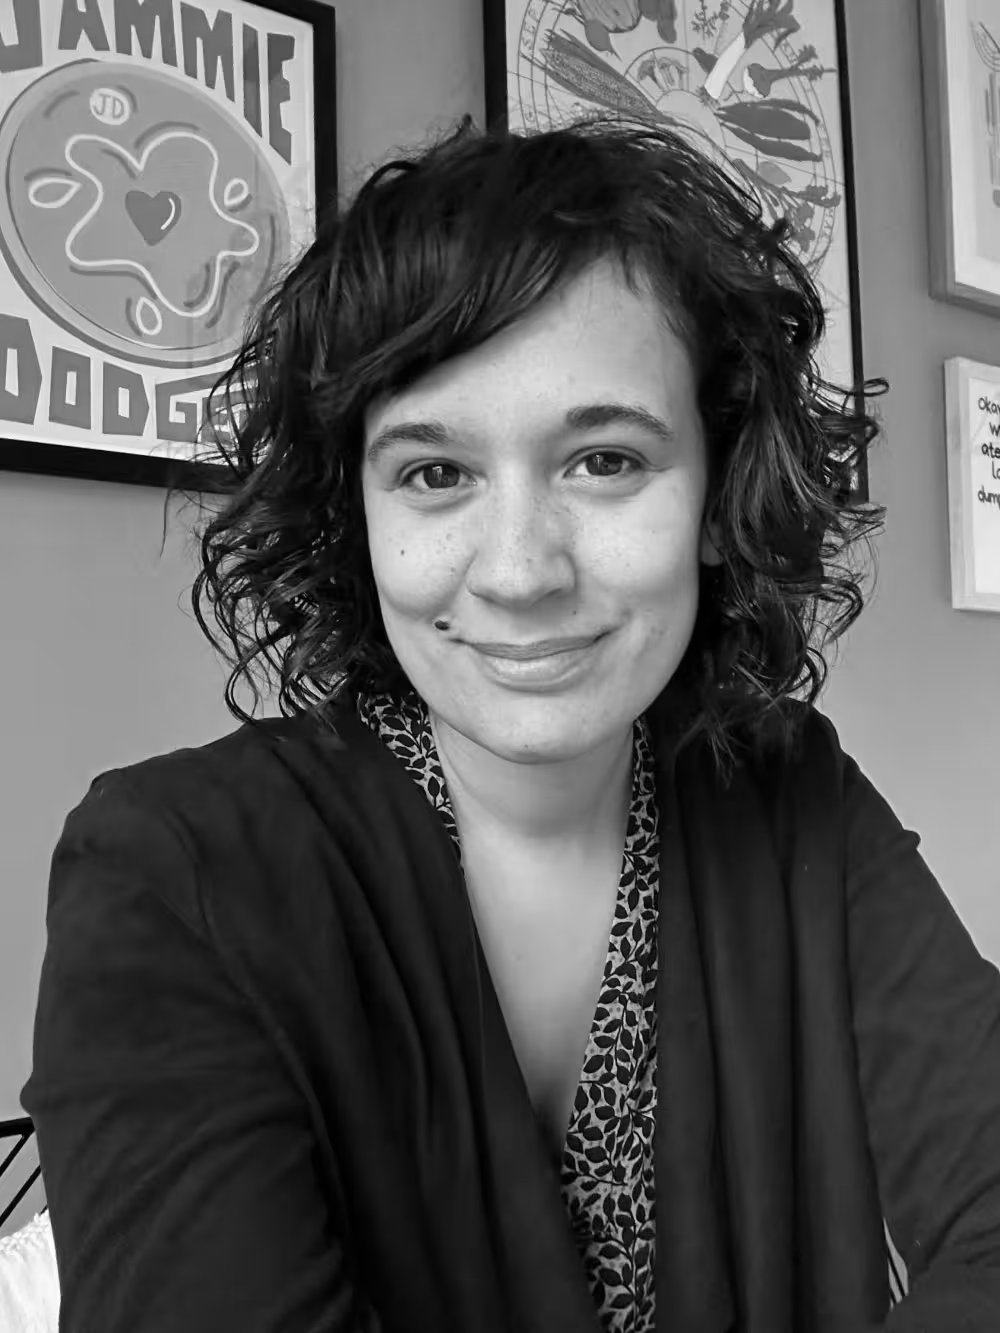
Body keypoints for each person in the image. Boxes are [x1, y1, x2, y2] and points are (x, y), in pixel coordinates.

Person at [21, 115, 1000, 1333]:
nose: (522, 571)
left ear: (713, 487)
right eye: (434, 473)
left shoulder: (793, 794)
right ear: (355, 514)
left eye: (604, 460)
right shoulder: (169, 871)